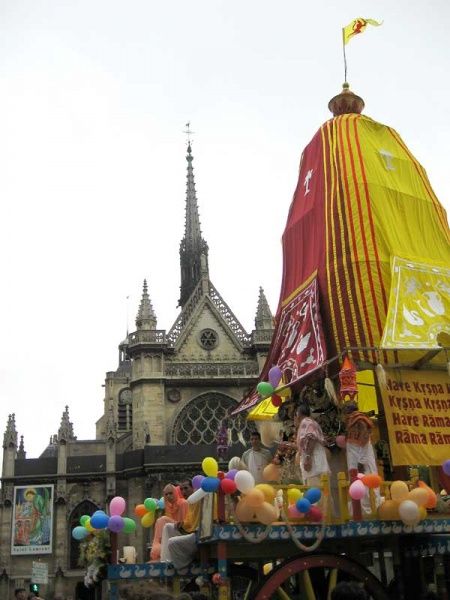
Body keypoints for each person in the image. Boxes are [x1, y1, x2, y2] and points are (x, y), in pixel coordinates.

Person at [343, 402, 380, 512]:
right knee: (358, 483)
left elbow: (363, 439)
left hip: (361, 460)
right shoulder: (354, 420)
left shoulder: (358, 420)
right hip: (357, 460)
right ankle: (361, 510)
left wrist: (360, 460)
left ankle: (369, 510)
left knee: (366, 482)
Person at [160, 495, 202, 570]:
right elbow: (188, 521)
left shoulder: (190, 501)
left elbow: (194, 523)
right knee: (167, 526)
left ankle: (180, 564)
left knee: (171, 542)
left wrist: (184, 524)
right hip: (188, 531)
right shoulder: (190, 502)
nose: (184, 491)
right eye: (166, 494)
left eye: (186, 488)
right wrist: (182, 523)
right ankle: (166, 560)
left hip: (197, 534)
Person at [150, 483, 188, 561]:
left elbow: (185, 524)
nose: (168, 496)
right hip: (171, 532)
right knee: (161, 520)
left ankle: (157, 544)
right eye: (166, 494)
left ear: (176, 493)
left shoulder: (183, 503)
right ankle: (157, 543)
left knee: (162, 520)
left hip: (182, 532)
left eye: (170, 493)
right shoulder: (168, 506)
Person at [295, 404, 330, 486]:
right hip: (316, 462)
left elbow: (311, 438)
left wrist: (308, 457)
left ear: (299, 413)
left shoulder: (306, 422)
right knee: (322, 493)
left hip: (314, 463)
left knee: (316, 492)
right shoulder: (310, 422)